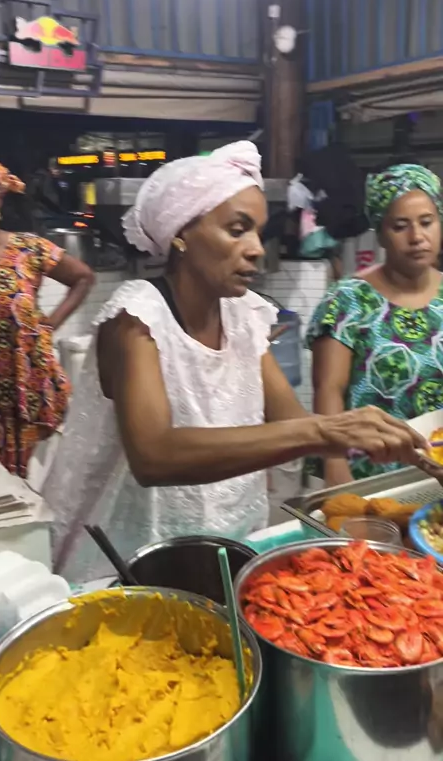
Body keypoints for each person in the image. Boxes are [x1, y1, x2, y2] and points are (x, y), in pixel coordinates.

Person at [43, 144, 427, 582]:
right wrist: (324, 430)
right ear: (182, 233)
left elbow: (291, 424)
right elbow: (154, 456)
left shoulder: (244, 315)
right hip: (134, 556)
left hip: (229, 540)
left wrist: (362, 433)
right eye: (237, 230)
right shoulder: (137, 317)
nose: (256, 249)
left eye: (258, 233)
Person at [307, 163, 443, 485]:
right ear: (380, 234)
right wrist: (336, 471)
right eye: (400, 226)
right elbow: (328, 390)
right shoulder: (348, 300)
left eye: (427, 222)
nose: (417, 237)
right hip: (370, 479)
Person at [0, 153, 94, 477]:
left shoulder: (28, 249)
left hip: (28, 390)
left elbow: (83, 277)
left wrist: (49, 325)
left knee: (37, 488)